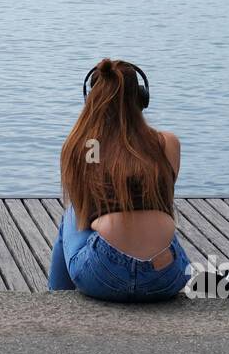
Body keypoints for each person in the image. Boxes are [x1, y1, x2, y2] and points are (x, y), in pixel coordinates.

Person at [47, 57, 191, 301]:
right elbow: (161, 199)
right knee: (155, 217)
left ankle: (56, 302)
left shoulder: (87, 146)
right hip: (166, 275)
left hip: (105, 274)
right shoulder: (167, 143)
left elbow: (85, 213)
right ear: (142, 98)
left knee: (71, 216)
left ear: (91, 100)